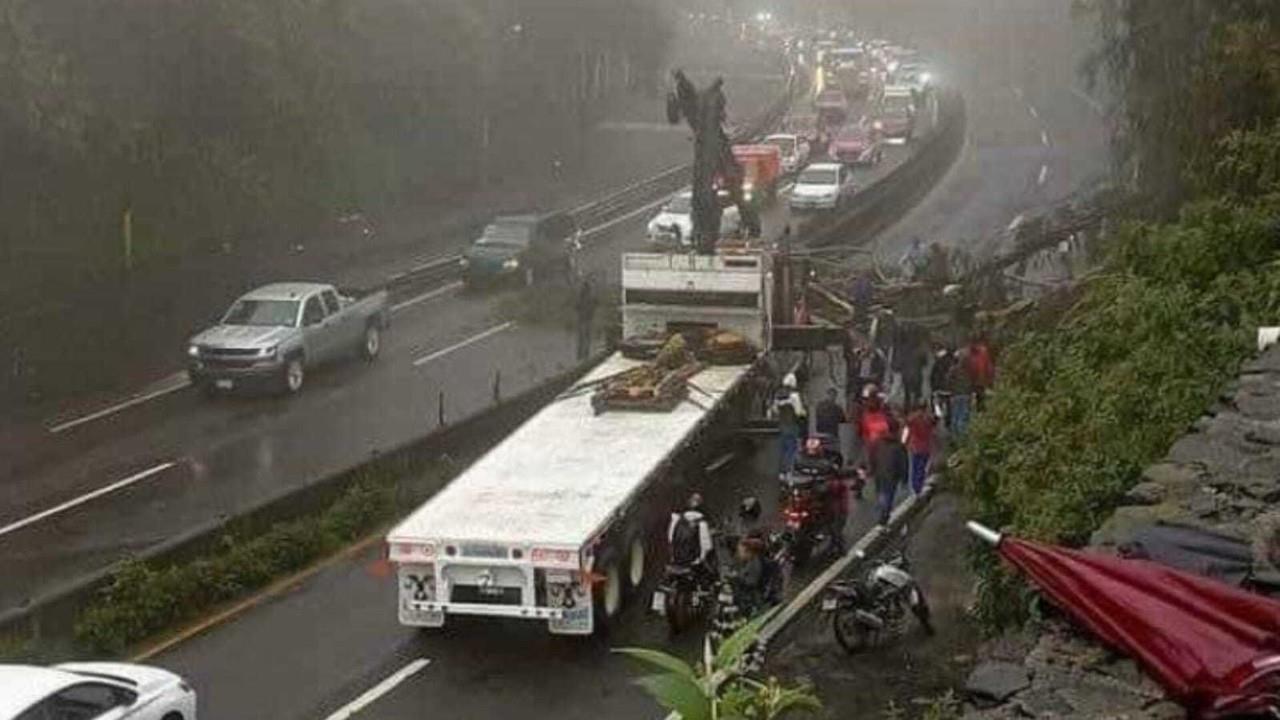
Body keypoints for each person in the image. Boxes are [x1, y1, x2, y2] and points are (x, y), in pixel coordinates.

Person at [668, 493, 716, 585]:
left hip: (676, 561)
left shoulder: (676, 519)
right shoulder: (702, 523)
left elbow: (670, 539)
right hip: (693, 563)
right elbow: (707, 546)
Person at [869, 418, 908, 526]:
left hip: (879, 472)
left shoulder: (878, 442)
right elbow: (903, 464)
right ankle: (884, 515)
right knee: (888, 495)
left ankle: (882, 510)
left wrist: (872, 469)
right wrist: (904, 478)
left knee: (881, 492)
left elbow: (872, 456)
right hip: (892, 475)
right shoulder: (899, 446)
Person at [770, 373, 807, 478]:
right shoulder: (794, 395)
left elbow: (775, 411)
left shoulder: (778, 395)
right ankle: (789, 471)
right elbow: (799, 412)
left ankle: (782, 472)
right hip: (792, 425)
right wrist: (804, 412)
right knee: (792, 449)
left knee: (783, 449)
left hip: (782, 425)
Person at [903, 404, 935, 496]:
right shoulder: (928, 418)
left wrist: (904, 442)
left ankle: (915, 486)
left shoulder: (912, 418)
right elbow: (933, 426)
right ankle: (919, 486)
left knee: (914, 467)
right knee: (922, 467)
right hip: (925, 447)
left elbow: (907, 430)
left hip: (914, 446)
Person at [965, 333, 995, 411]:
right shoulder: (969, 354)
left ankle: (981, 410)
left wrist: (990, 379)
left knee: (980, 398)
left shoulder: (982, 352)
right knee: (977, 399)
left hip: (980, 380)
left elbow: (988, 366)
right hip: (974, 381)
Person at [948, 348, 973, 437]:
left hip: (955, 395)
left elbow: (948, 382)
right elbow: (971, 382)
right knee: (963, 416)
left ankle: (956, 436)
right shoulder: (968, 370)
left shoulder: (953, 370)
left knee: (955, 416)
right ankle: (962, 436)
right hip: (966, 395)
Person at [929, 343, 956, 428]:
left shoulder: (938, 362)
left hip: (939, 387)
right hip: (950, 388)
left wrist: (933, 387)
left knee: (936, 403)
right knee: (949, 405)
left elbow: (934, 375)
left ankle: (937, 417)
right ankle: (948, 421)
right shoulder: (953, 361)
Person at [575, 278, 596, 361]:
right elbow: (594, 306)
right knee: (586, 336)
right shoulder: (589, 298)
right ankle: (585, 354)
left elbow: (577, 307)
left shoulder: (582, 297)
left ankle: (582, 354)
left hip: (583, 318)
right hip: (587, 318)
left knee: (582, 336)